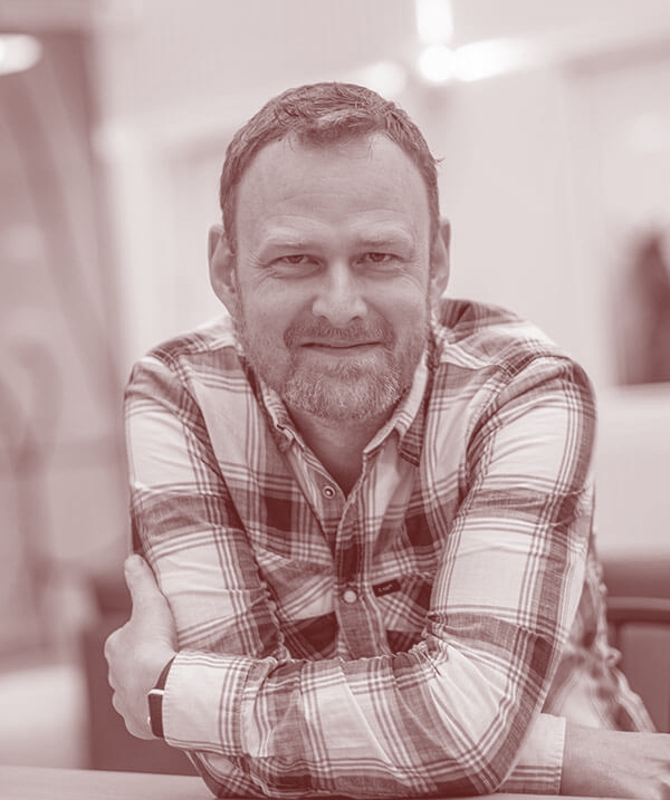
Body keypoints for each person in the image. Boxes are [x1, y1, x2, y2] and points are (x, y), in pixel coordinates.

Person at [105, 82, 670, 798]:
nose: (341, 306)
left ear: (436, 262)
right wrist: (563, 754)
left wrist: (176, 694)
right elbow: (231, 765)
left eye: (378, 256)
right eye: (295, 260)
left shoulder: (526, 387)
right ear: (226, 271)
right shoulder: (178, 394)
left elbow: (465, 734)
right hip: (575, 774)